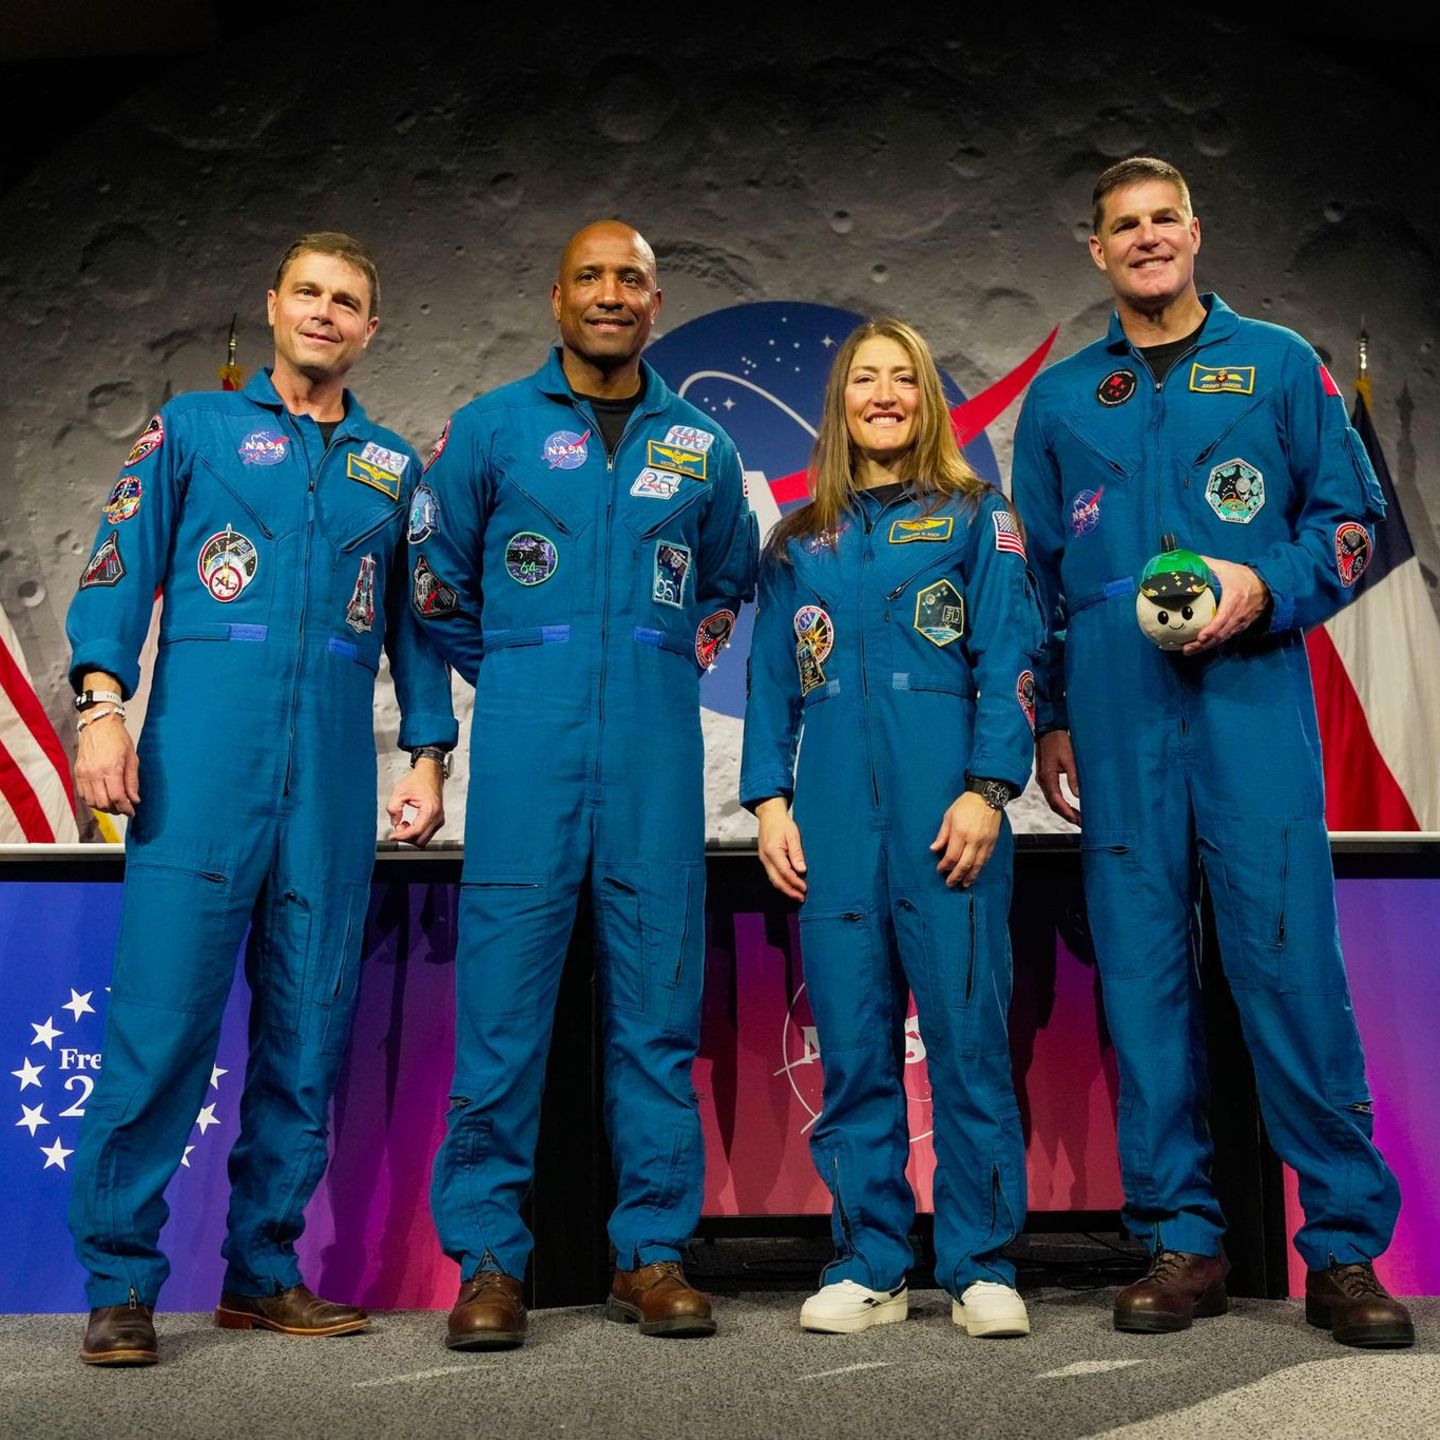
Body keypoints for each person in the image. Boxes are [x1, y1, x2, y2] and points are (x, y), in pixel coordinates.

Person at [1012, 157, 1413, 1348]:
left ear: (1196, 232)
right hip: (1121, 718)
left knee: (1293, 971)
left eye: (1162, 220)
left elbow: (1349, 532)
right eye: (1122, 227)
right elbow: (1032, 576)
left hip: (1248, 704)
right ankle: (1182, 1240)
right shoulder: (1065, 400)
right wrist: (1049, 716)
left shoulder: (1282, 367)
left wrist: (1260, 584)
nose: (1145, 240)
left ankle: (1342, 1250)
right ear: (1097, 251)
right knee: (1142, 983)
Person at [67, 232, 457, 1366]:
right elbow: (113, 567)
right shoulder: (192, 429)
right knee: (159, 1031)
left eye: (348, 303)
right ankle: (122, 1283)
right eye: (309, 294)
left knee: (308, 1033)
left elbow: (417, 628)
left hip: (329, 784)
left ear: (370, 329)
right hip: (201, 772)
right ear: (274, 306)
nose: (326, 314)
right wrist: (102, 707)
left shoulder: (393, 468)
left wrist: (426, 750)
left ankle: (263, 1271)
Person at [414, 220, 757, 1349]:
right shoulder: (491, 430)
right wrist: (523, 670)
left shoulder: (701, 446)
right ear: (558, 297)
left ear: (657, 303)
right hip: (525, 745)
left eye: (634, 280)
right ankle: (489, 1262)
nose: (612, 296)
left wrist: (641, 659)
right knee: (501, 1019)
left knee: (656, 1017)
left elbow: (724, 581)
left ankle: (651, 1253)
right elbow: (439, 582)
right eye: (593, 278)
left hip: (655, 752)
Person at [740, 318, 1044, 1338]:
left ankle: (980, 1265)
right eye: (863, 379)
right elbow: (772, 680)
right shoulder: (797, 540)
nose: (881, 394)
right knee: (856, 1049)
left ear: (925, 400)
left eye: (900, 380)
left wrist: (987, 787)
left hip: (943, 808)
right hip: (829, 816)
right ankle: (870, 1261)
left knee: (965, 1043)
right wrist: (770, 803)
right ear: (841, 405)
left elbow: (1008, 653)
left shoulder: (973, 514)